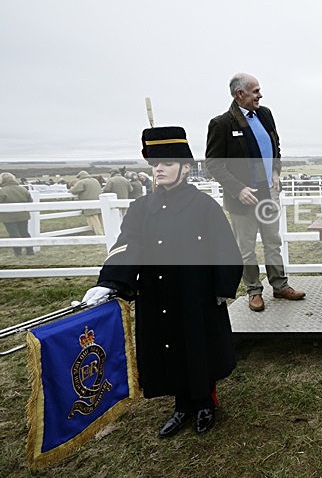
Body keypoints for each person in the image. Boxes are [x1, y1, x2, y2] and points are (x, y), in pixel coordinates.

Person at [81, 126, 243, 437]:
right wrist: (110, 282)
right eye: (156, 165)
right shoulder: (142, 209)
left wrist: (222, 288)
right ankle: (182, 406)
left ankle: (205, 402)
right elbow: (127, 244)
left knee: (198, 347)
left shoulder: (204, 206)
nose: (159, 170)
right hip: (158, 295)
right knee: (169, 348)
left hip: (196, 294)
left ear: (185, 167)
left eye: (167, 163)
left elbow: (226, 248)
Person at [205, 72, 305, 311]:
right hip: (243, 198)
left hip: (268, 193)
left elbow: (275, 146)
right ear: (240, 94)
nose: (260, 95)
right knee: (246, 248)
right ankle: (253, 291)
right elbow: (213, 164)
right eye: (256, 91)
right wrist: (238, 189)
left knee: (273, 241)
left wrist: (276, 171)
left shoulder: (265, 114)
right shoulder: (221, 124)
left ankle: (280, 286)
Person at [0, 172, 34, 256]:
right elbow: (30, 201)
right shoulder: (23, 189)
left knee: (14, 234)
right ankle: (30, 251)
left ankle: (18, 252)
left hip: (8, 217)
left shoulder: (2, 191)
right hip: (23, 215)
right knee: (25, 233)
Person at [68, 170, 104, 235]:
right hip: (99, 203)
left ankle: (100, 236)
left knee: (94, 222)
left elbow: (74, 190)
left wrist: (71, 189)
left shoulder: (82, 182)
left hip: (89, 205)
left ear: (80, 176)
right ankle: (105, 234)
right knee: (101, 221)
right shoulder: (95, 180)